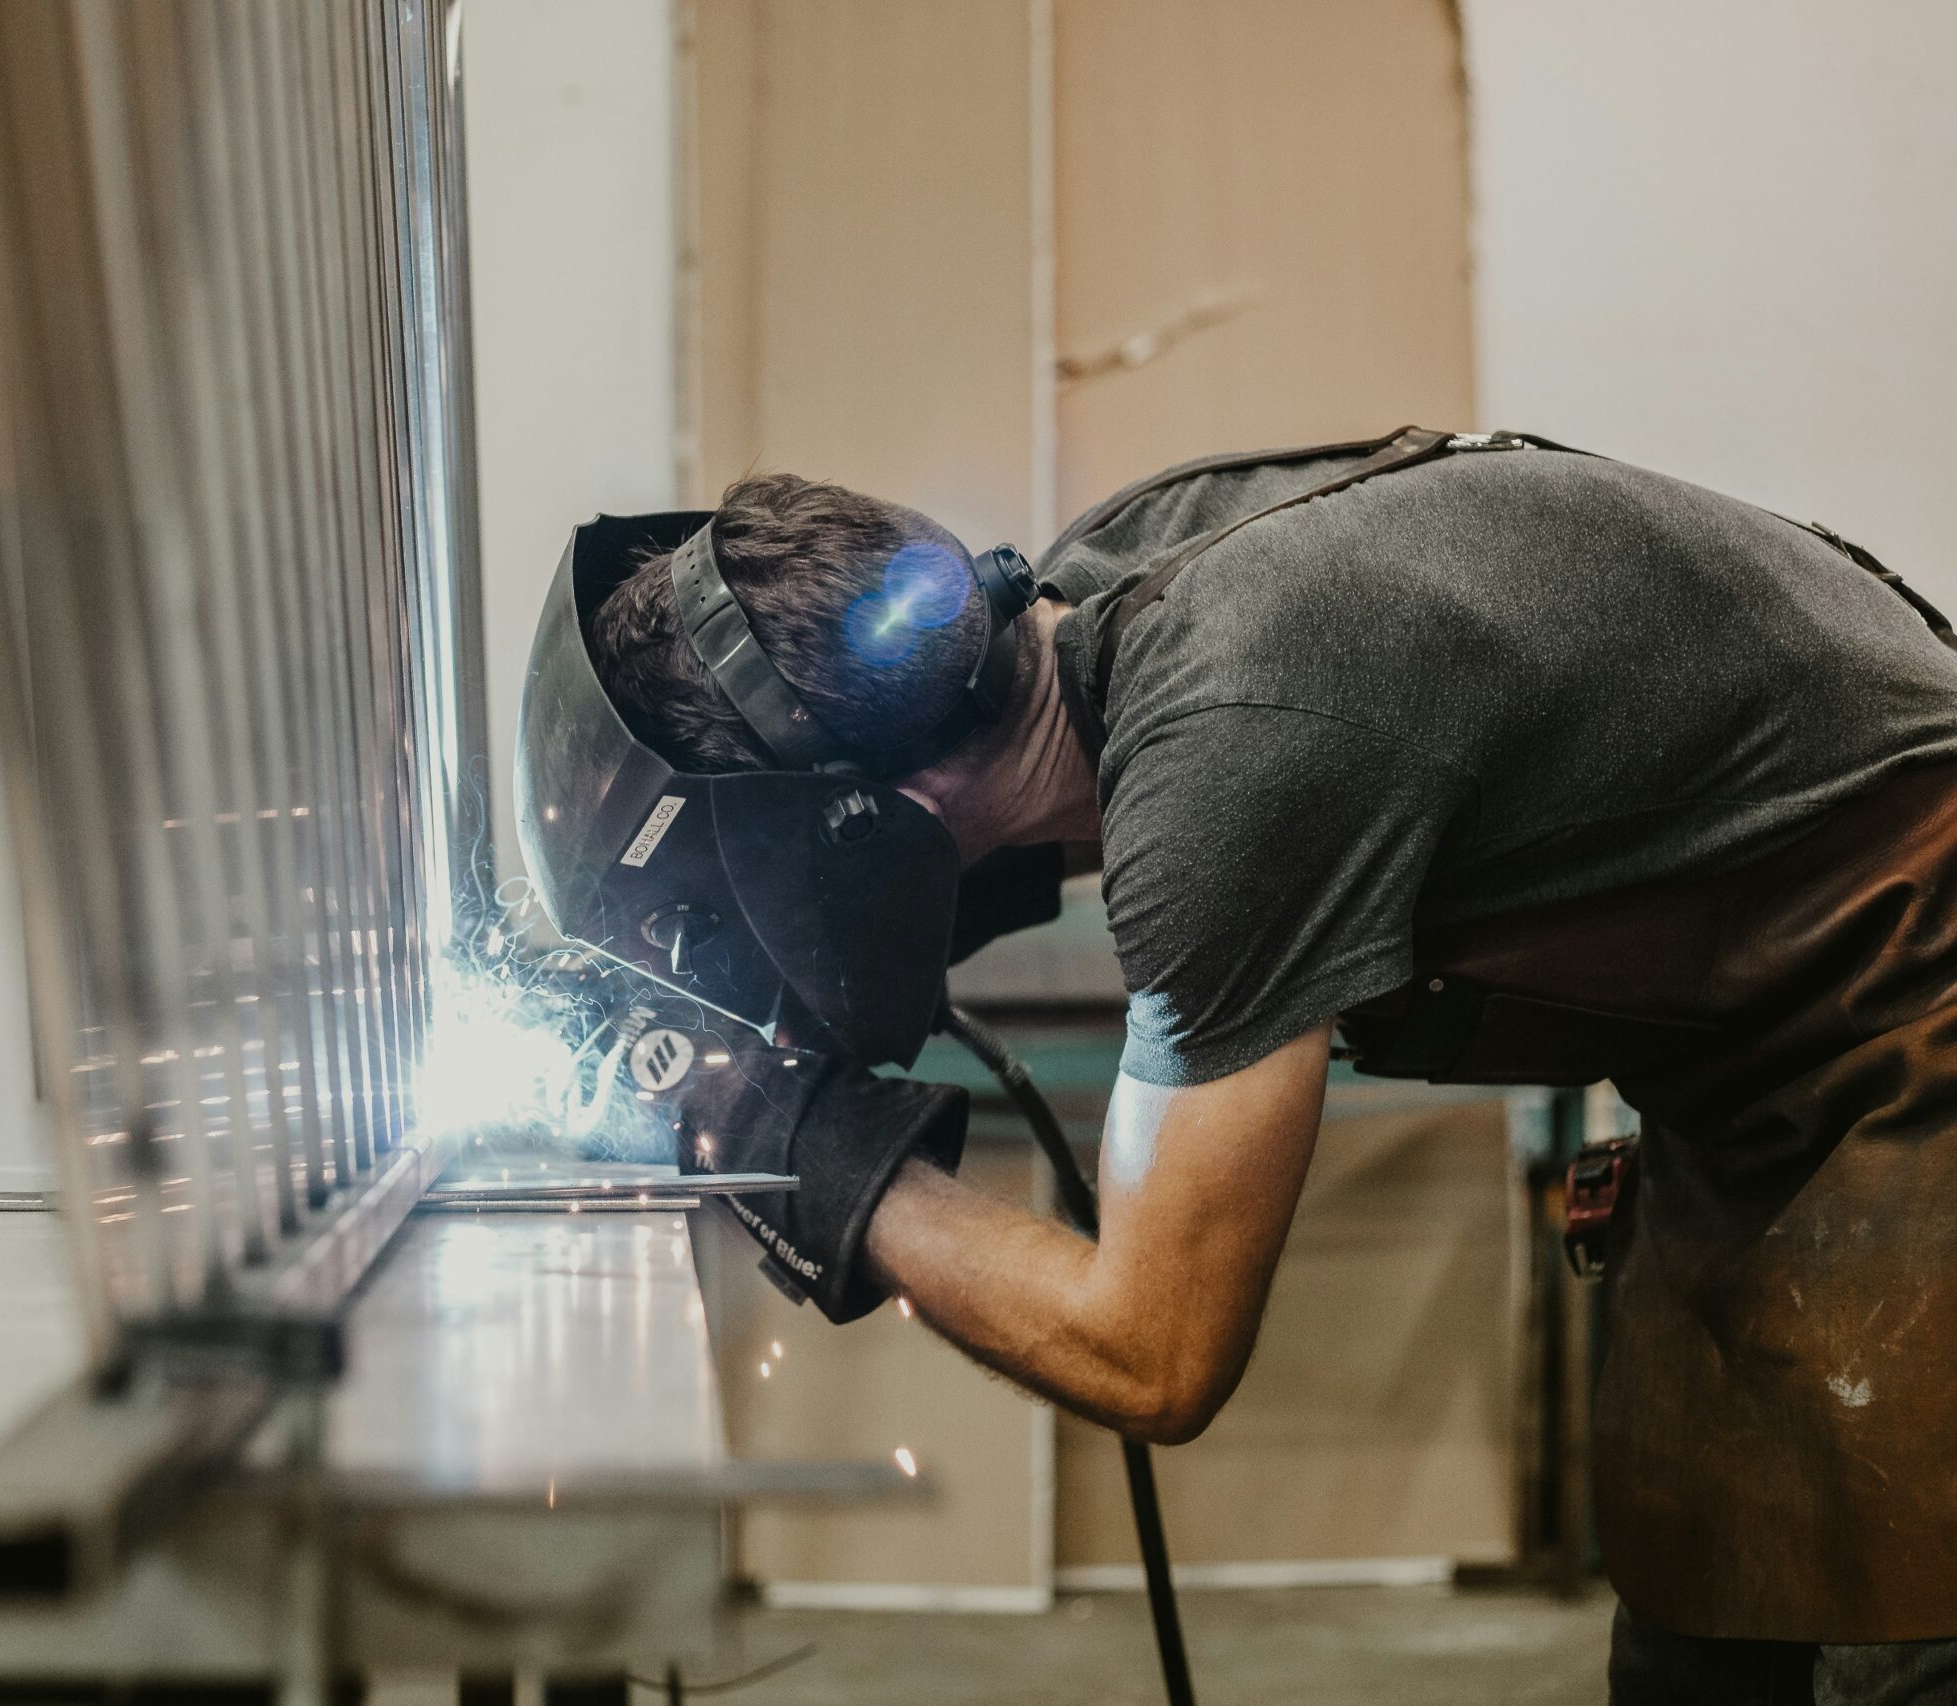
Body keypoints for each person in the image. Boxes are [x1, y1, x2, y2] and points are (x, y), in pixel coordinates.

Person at [570, 434, 1957, 1703]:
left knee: (1893, 1643)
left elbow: (1152, 1349)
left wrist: (809, 1144)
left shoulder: (1224, 749)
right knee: (1700, 1638)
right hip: (1760, 1075)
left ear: (855, 820)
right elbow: (1037, 822)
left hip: (1915, 1002)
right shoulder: (1097, 594)